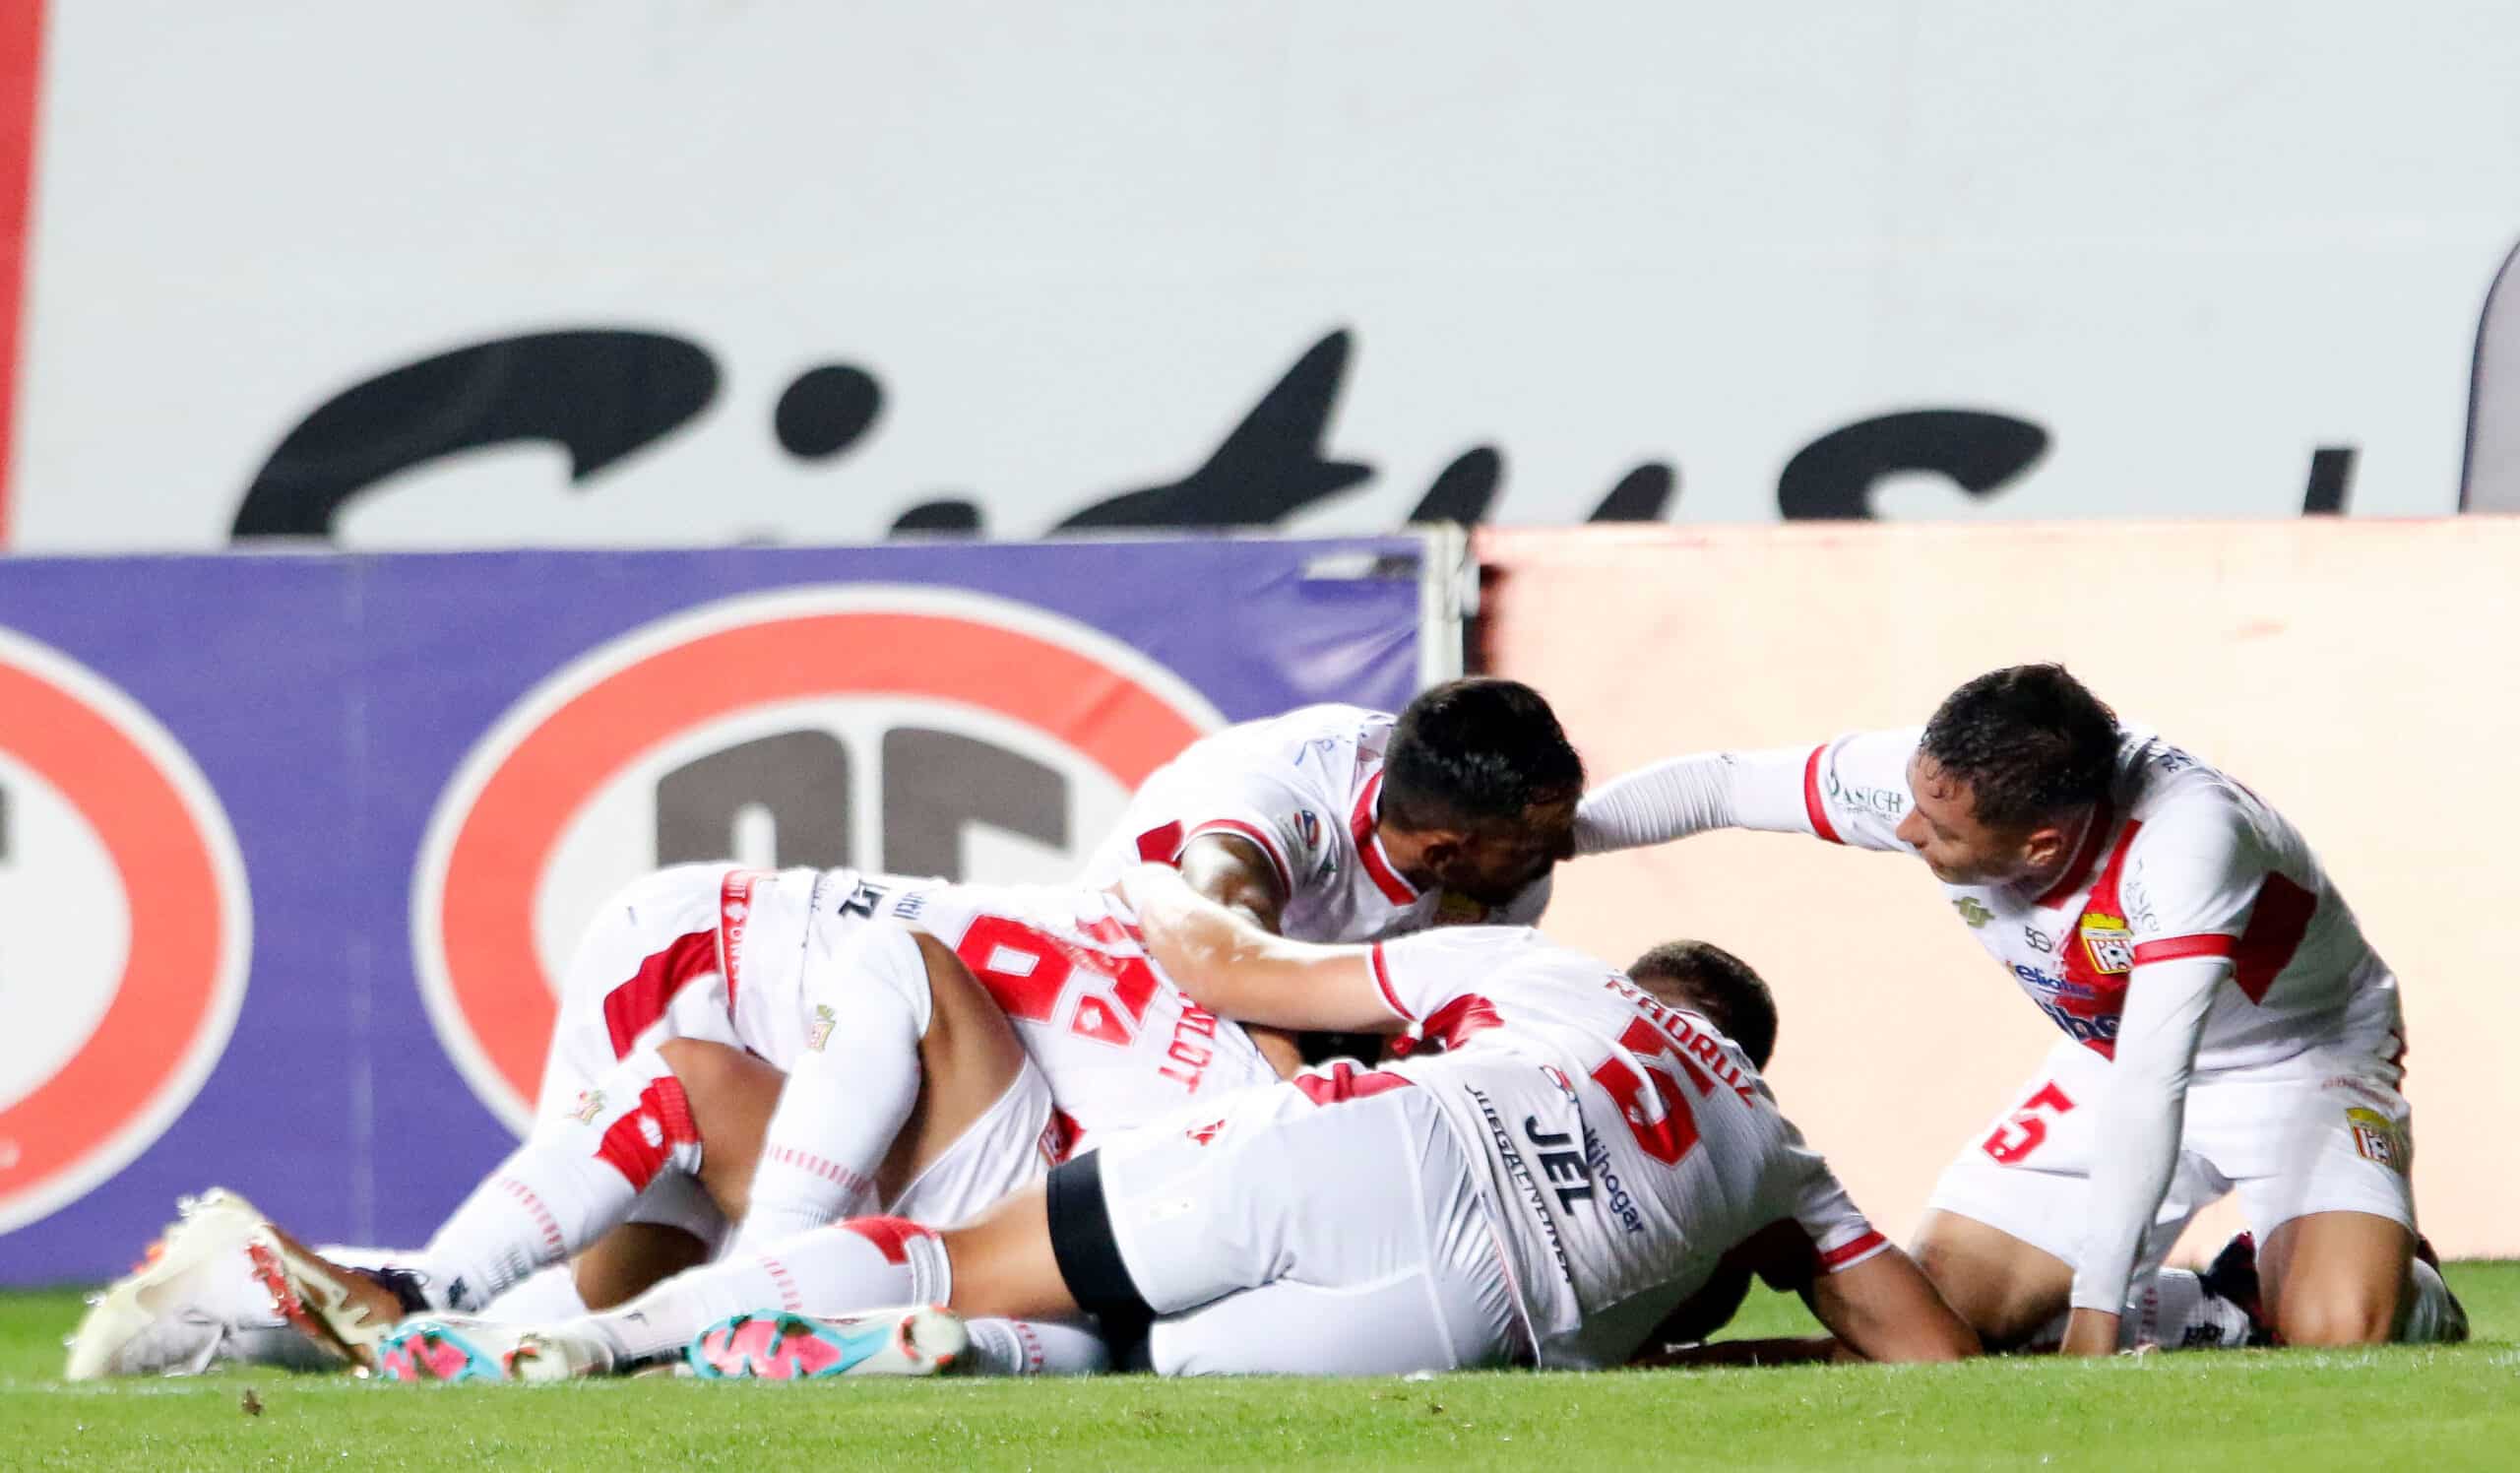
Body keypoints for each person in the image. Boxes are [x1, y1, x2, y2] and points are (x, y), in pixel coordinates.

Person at [374, 866, 1978, 1380]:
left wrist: (1192, 906)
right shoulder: (1776, 1143)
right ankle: (910, 1354)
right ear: (1747, 1055)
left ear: (1646, 984)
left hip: (1370, 1147)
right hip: (1489, 1308)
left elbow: (1245, 972)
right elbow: (1925, 1356)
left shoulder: (1543, 979)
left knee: (957, 1255)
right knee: (1164, 1364)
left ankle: (631, 1337)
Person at [1574, 663, 2466, 1353]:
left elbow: (2158, 1084)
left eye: (1943, 832)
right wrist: (1545, 841)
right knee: (1938, 1321)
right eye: (1917, 803)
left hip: (2297, 1065)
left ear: (2042, 844)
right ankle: (2226, 1300)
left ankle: (2400, 1275)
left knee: (2341, 1330)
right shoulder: (1942, 783)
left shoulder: (2188, 844)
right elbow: (1719, 785)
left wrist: (2096, 1312)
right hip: (2111, 1056)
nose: (1910, 830)